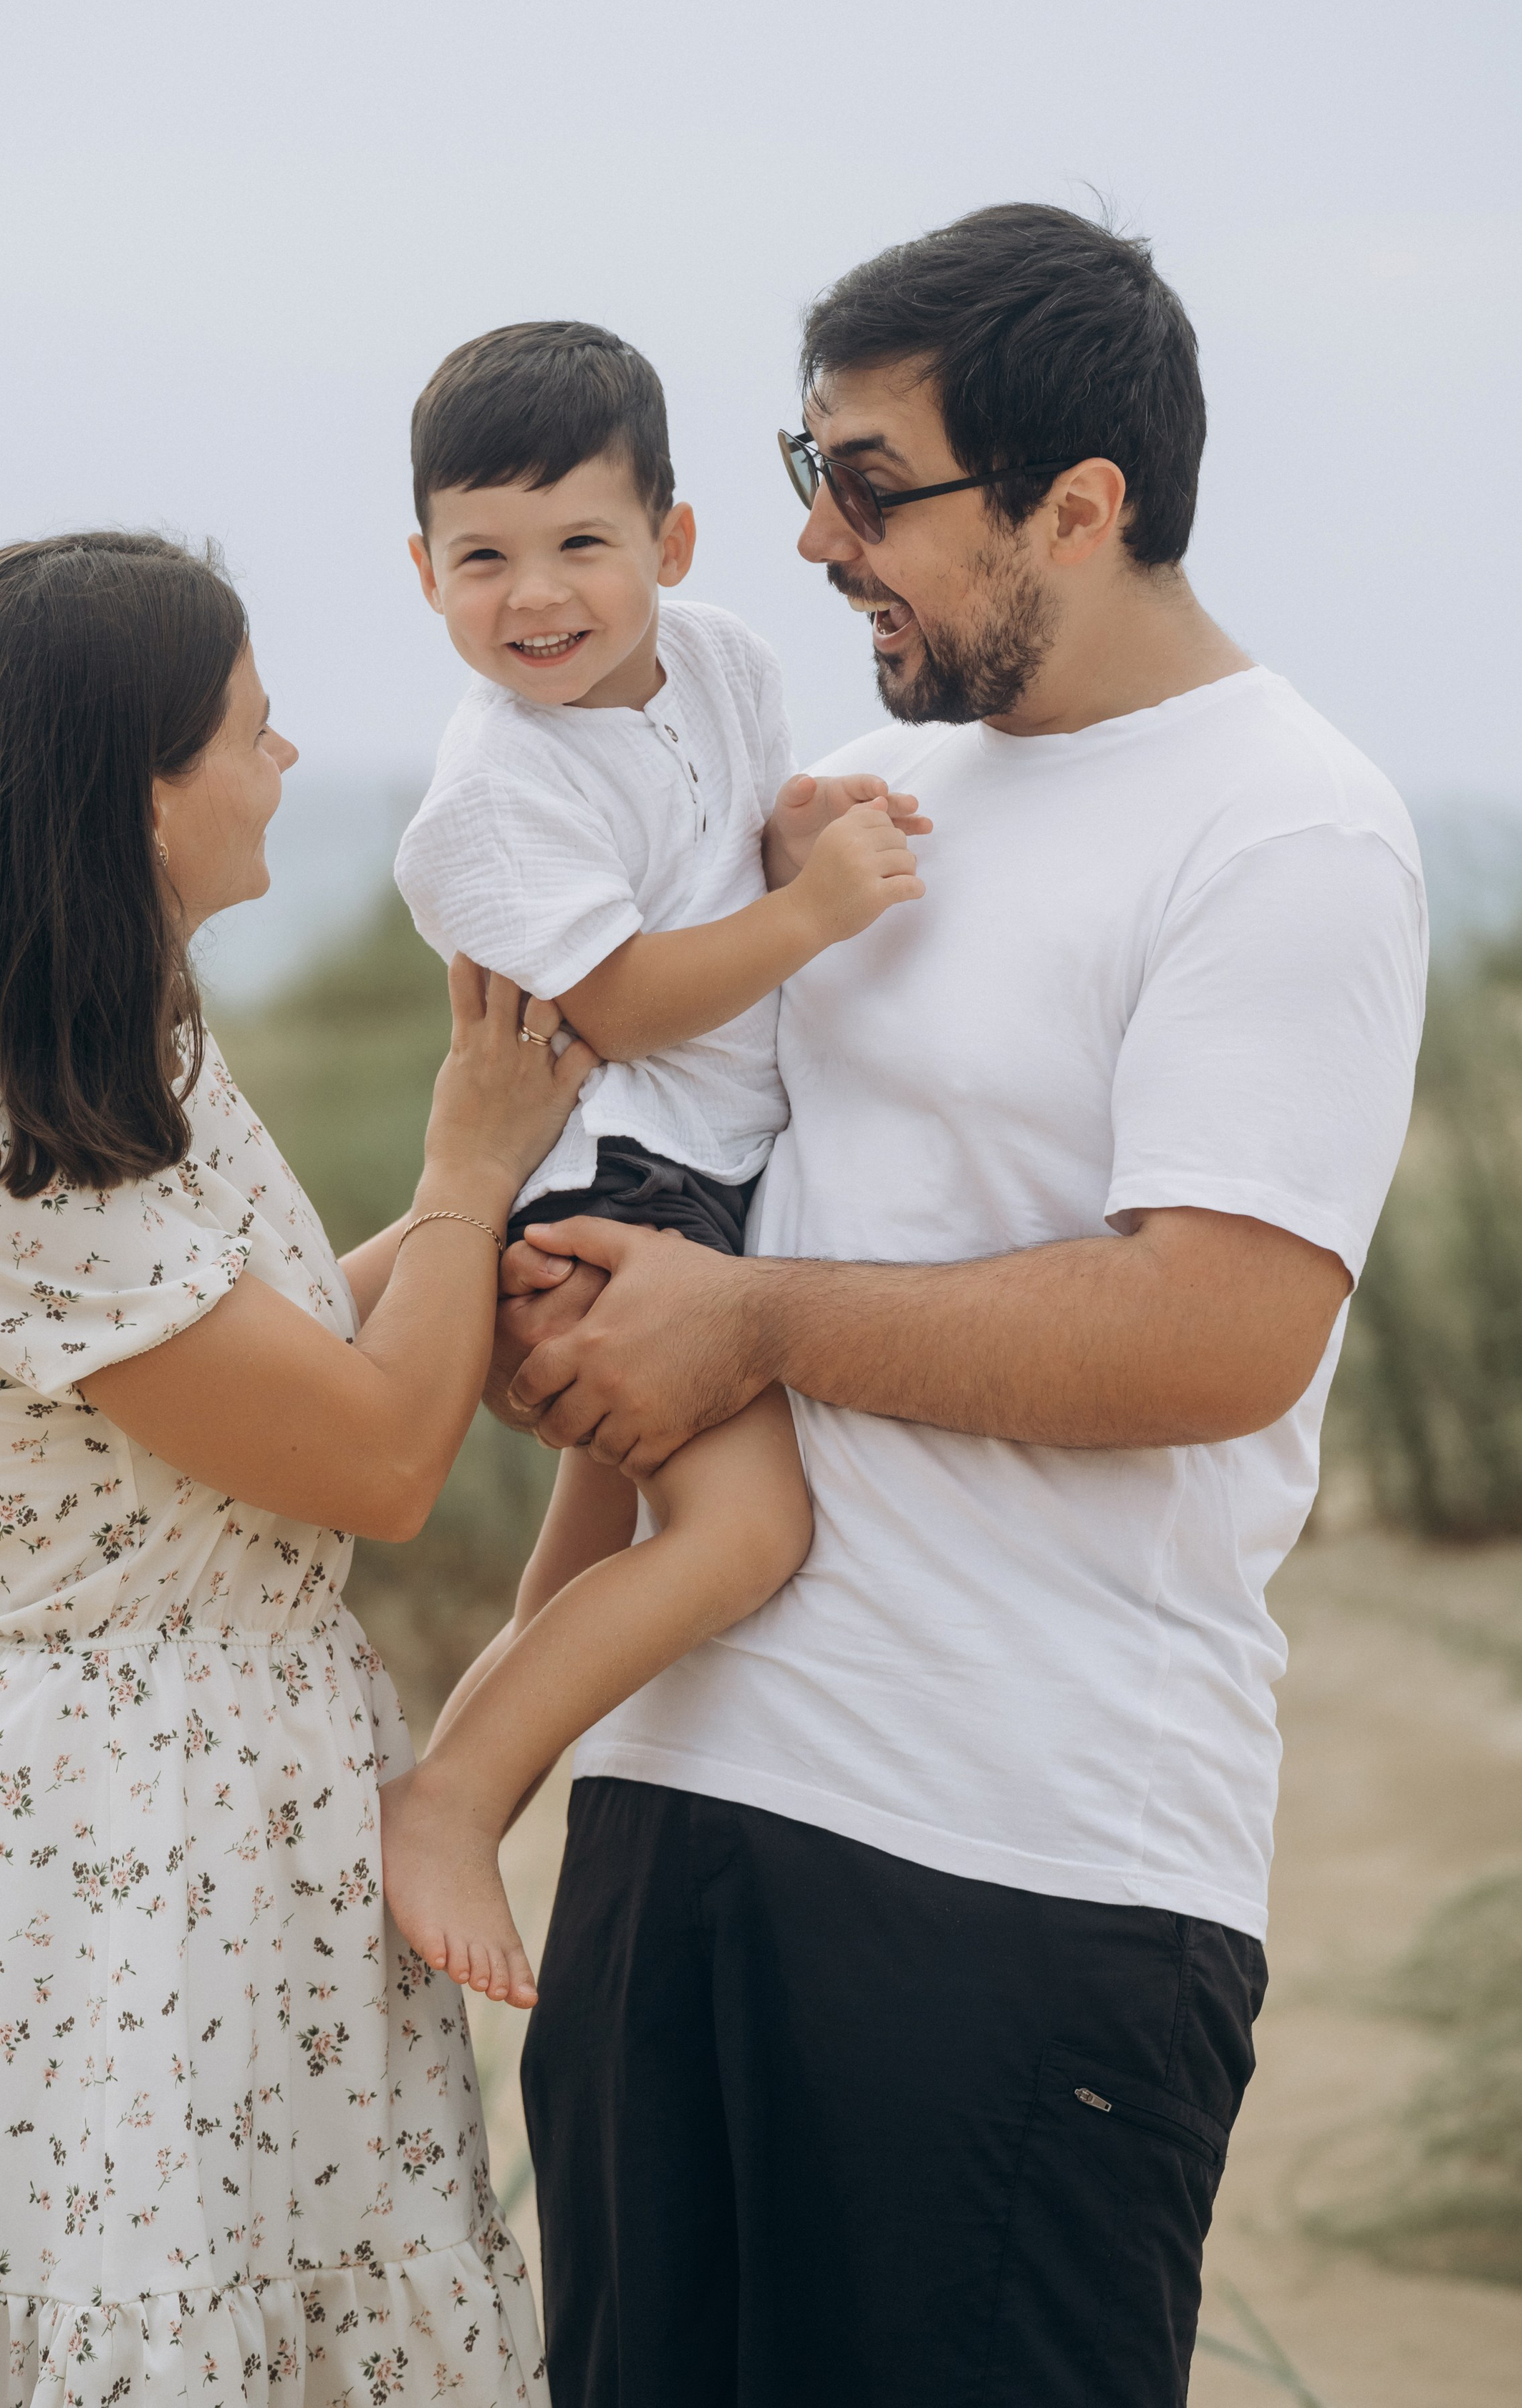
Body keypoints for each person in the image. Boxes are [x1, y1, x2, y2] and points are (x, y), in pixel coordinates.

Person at [492, 210, 1429, 2407]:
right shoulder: (880, 807)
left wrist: (747, 1324)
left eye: (875, 484)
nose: (815, 540)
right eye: (804, 467)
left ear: (1081, 507)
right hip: (678, 1800)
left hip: (1017, 1868)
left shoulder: (1290, 830)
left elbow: (1215, 1332)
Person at [0, 533, 597, 2408]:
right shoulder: (15, 1143)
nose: (286, 761)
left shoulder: (125, 1060)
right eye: (254, 728)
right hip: (138, 1833)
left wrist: (486, 1236)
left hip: (236, 1788)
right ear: (137, 792)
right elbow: (372, 1458)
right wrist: (468, 1172)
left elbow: (266, 1357)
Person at [377, 323, 928, 2010]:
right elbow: (615, 997)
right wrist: (812, 911)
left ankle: (480, 1780)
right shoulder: (489, 794)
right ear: (422, 572)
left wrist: (784, 838)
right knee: (746, 1527)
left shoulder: (724, 660)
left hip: (716, 1167)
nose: (532, 597)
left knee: (595, 1533)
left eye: (578, 546)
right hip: (615, 1183)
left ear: (668, 547)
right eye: (481, 557)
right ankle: (451, 1801)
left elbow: (719, 838)